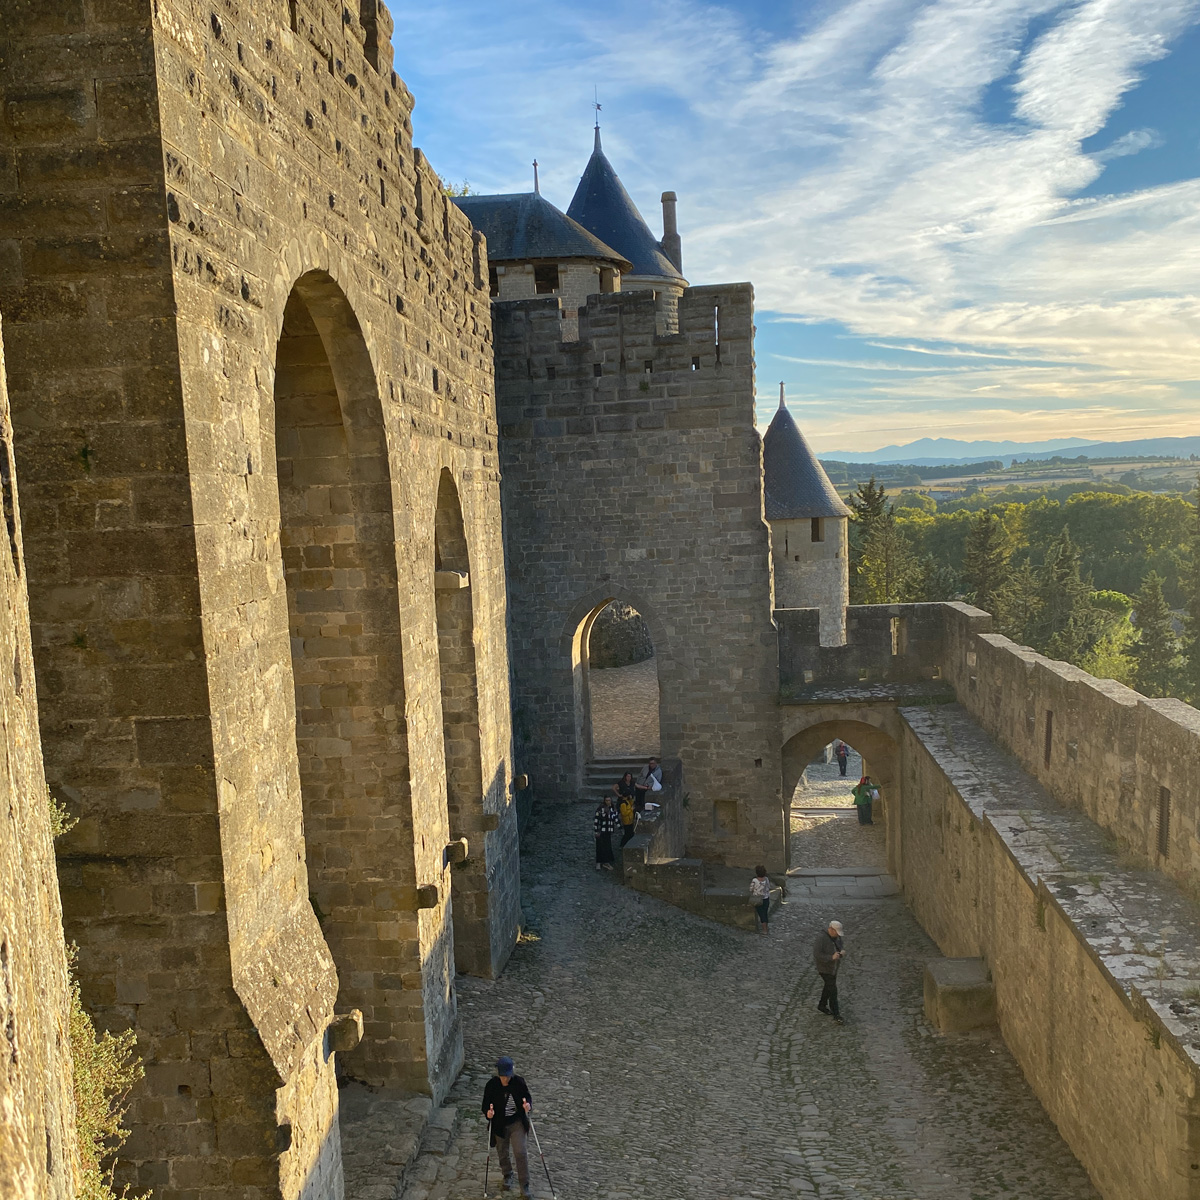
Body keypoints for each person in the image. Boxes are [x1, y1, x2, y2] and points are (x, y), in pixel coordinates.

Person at [482, 1056, 533, 1197]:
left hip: (516, 1122)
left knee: (520, 1152)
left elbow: (527, 1098)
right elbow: (485, 1105)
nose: (506, 1079)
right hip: (499, 1124)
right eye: (503, 1076)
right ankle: (507, 1174)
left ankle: (524, 1184)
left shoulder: (519, 1083)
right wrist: (489, 1113)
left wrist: (527, 1105)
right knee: (502, 1152)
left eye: (508, 1076)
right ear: (498, 1074)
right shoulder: (491, 1085)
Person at [813, 919, 845, 1023]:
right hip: (824, 969)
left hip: (833, 968)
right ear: (831, 929)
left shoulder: (837, 937)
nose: (837, 935)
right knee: (833, 990)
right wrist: (831, 957)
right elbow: (817, 955)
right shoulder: (821, 938)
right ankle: (836, 1014)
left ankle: (822, 1005)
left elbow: (840, 947)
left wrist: (841, 953)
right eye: (836, 932)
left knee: (828, 987)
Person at [593, 795, 620, 869]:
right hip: (601, 830)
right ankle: (598, 862)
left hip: (608, 831)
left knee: (607, 846)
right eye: (607, 800)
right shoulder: (600, 809)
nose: (608, 802)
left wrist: (620, 827)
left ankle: (606, 862)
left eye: (609, 800)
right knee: (599, 846)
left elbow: (615, 819)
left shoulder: (613, 809)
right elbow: (596, 820)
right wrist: (596, 831)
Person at [616, 773, 638, 847]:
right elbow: (624, 813)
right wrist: (631, 810)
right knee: (627, 834)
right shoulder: (623, 804)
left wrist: (631, 800)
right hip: (626, 821)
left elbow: (631, 803)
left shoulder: (627, 801)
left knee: (630, 833)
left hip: (630, 820)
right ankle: (622, 845)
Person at [749, 864, 772, 934]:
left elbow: (751, 889)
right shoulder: (766, 879)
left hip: (758, 899)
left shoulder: (755, 880)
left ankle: (764, 930)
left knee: (761, 914)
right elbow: (769, 887)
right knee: (765, 913)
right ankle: (766, 927)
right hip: (766, 898)